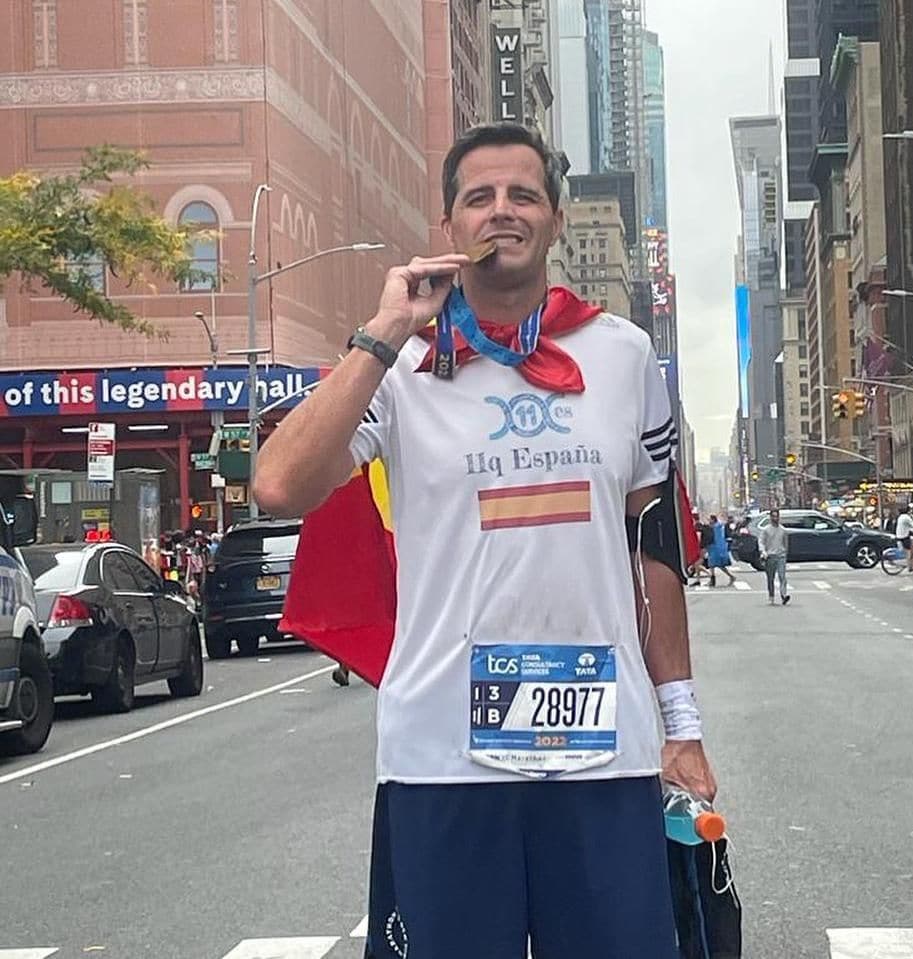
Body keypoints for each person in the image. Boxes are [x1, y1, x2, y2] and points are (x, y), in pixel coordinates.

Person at [254, 122, 715, 959]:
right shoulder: (398, 366)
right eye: (479, 197)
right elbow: (280, 483)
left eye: (522, 195)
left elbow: (656, 550)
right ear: (449, 225)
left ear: (555, 219)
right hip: (441, 757)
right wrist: (382, 331)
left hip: (605, 752)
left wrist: (680, 723)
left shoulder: (624, 354)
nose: (501, 211)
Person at [759, 508, 790, 606]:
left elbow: (786, 544)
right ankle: (771, 596)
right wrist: (763, 552)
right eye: (773, 516)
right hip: (770, 556)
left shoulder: (783, 530)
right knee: (770, 578)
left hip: (781, 556)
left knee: (782, 576)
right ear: (770, 517)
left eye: (777, 516)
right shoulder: (766, 530)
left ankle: (783, 595)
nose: (775, 518)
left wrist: (785, 553)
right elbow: (761, 542)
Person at [707, 514, 736, 587]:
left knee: (717, 565)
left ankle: (730, 576)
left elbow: (715, 537)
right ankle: (713, 580)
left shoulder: (716, 527)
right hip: (715, 547)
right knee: (713, 565)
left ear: (713, 520)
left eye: (710, 519)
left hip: (716, 547)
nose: (709, 521)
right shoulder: (718, 526)